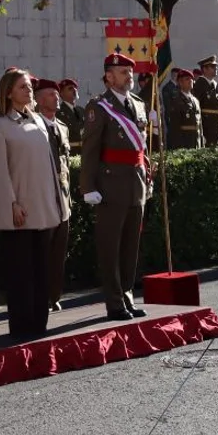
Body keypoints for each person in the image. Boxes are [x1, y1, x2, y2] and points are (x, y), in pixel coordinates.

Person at [0, 68, 70, 338]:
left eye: (30, 86)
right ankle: (21, 327)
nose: (29, 91)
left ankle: (38, 325)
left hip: (43, 206)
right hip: (20, 208)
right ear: (8, 92)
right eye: (22, 87)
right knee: (21, 272)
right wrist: (11, 203)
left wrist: (58, 201)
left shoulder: (39, 121)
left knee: (42, 269)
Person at [81, 53, 152, 321]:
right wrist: (88, 186)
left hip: (136, 184)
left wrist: (147, 177)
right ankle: (114, 302)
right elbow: (90, 150)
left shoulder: (138, 103)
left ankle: (128, 296)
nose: (128, 77)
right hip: (110, 185)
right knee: (110, 247)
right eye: (122, 72)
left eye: (130, 72)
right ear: (108, 76)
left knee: (130, 247)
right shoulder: (98, 107)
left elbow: (141, 148)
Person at [34, 78, 74, 309]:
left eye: (57, 94)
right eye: (50, 94)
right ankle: (39, 295)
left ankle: (54, 296)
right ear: (38, 100)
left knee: (59, 252)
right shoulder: (33, 126)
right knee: (41, 250)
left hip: (62, 197)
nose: (56, 98)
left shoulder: (62, 127)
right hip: (42, 196)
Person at [164, 68, 206, 150]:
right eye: (187, 79)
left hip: (196, 141)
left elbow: (199, 124)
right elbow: (174, 127)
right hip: (184, 142)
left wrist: (201, 141)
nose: (190, 81)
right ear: (180, 82)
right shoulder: (176, 101)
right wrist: (177, 147)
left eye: (191, 79)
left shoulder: (195, 100)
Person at [193, 56, 218, 146]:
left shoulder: (215, 84)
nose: (216, 68)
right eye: (213, 67)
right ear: (204, 69)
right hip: (207, 125)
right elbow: (197, 107)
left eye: (216, 67)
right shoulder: (199, 84)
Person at [57, 78, 86, 154]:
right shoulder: (58, 112)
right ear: (61, 93)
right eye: (70, 88)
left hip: (84, 152)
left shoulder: (82, 110)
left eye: (75, 88)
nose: (74, 90)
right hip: (70, 152)